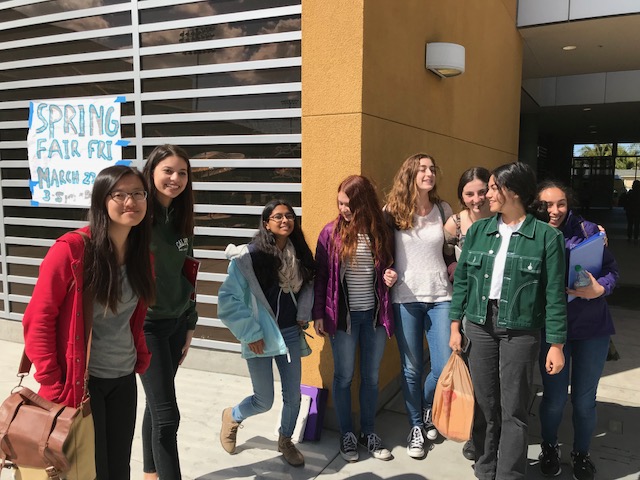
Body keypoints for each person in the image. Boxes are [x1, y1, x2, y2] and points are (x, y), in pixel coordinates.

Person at [23, 166, 155, 479]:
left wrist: (140, 353)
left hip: (123, 378)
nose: (130, 201)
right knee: (87, 470)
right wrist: (53, 381)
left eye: (137, 193)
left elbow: (133, 318)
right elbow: (38, 319)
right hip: (82, 382)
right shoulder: (71, 251)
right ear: (101, 201)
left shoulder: (141, 257)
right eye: (119, 194)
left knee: (118, 467)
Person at [449, 162, 567, 480]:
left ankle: (509, 473)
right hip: (479, 322)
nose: (486, 194)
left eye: (491, 187)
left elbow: (555, 295)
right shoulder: (478, 231)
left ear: (510, 191)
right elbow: (462, 283)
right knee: (486, 403)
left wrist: (556, 343)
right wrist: (454, 325)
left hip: (522, 328)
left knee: (514, 407)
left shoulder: (546, 237)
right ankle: (485, 466)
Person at [218, 199, 316, 466]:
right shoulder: (249, 258)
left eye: (289, 216)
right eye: (278, 217)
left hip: (289, 334)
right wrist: (251, 334)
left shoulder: (300, 255)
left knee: (293, 395)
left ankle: (285, 440)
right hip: (259, 337)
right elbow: (228, 301)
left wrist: (303, 314)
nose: (285, 220)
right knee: (263, 400)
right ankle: (233, 415)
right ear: (266, 223)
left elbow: (309, 285)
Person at [537, 181, 619, 480]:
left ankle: (581, 453)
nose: (554, 210)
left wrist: (601, 289)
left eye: (560, 203)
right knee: (554, 398)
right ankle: (549, 447)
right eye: (547, 204)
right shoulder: (532, 234)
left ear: (569, 203)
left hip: (592, 328)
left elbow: (612, 271)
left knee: (585, 400)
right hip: (551, 329)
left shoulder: (589, 232)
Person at [313, 175, 397, 463]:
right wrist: (319, 315)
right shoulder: (330, 232)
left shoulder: (381, 231)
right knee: (344, 376)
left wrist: (390, 275)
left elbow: (390, 266)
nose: (343, 209)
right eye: (340, 203)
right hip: (343, 319)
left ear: (364, 203)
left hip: (374, 316)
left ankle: (368, 432)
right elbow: (321, 276)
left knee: (371, 378)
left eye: (349, 204)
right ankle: (347, 434)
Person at [385, 153, 454, 458]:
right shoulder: (391, 212)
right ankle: (416, 425)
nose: (429, 172)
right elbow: (380, 250)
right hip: (406, 298)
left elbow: (462, 239)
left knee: (442, 367)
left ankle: (428, 406)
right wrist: (384, 270)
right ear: (410, 173)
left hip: (441, 296)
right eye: (422, 168)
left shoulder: (443, 209)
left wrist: (454, 263)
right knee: (411, 369)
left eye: (431, 168)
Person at [141, 144, 198, 480]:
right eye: (168, 171)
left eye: (182, 173)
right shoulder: (138, 217)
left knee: (156, 403)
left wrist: (189, 322)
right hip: (147, 327)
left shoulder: (180, 216)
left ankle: (150, 472)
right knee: (167, 416)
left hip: (176, 324)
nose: (175, 178)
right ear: (152, 172)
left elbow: (187, 272)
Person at [442, 166, 491, 461]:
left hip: (496, 308)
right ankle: (476, 434)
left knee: (493, 379)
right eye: (469, 193)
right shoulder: (455, 224)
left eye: (482, 191)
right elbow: (442, 255)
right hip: (466, 307)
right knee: (474, 377)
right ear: (461, 195)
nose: (476, 199)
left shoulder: (502, 219)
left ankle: (493, 434)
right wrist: (451, 268)